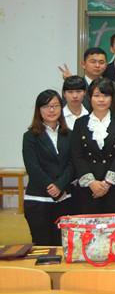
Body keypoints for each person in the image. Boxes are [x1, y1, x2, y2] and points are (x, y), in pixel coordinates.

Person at [22, 90, 73, 245]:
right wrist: (51, 186)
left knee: (63, 245)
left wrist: (60, 185)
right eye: (46, 106)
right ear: (39, 110)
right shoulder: (30, 136)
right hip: (38, 200)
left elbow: (72, 164)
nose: (51, 110)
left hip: (64, 199)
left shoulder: (69, 134)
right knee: (42, 246)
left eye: (55, 106)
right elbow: (32, 167)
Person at [70, 78, 115, 214]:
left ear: (112, 98)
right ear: (89, 98)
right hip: (88, 188)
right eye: (96, 96)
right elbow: (77, 155)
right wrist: (92, 183)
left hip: (114, 187)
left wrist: (107, 183)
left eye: (106, 95)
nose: (101, 100)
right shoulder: (80, 123)